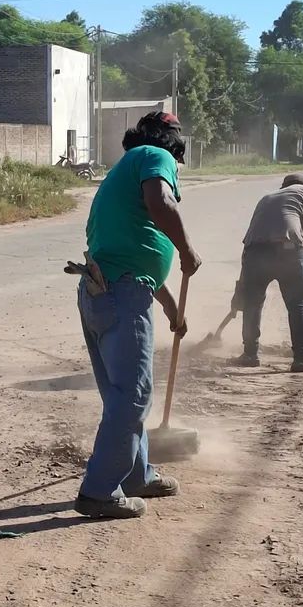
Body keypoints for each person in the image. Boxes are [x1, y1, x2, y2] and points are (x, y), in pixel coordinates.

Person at [72, 111, 202, 521]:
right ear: (172, 142)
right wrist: (185, 249)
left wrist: (170, 307)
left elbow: (131, 257)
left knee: (123, 395)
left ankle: (136, 475)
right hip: (122, 294)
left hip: (103, 289)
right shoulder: (154, 154)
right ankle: (99, 492)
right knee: (132, 397)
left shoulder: (121, 172)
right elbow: (160, 201)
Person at [229, 173, 303, 372]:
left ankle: (250, 355)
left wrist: (242, 288)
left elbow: (248, 243)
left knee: (252, 304)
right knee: (297, 305)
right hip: (288, 251)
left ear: (283, 186)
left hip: (254, 253)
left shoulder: (266, 197)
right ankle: (300, 359)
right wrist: (294, 248)